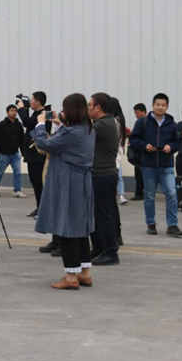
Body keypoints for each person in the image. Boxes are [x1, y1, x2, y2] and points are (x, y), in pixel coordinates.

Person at [31, 93, 95, 291]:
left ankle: (70, 277)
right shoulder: (88, 129)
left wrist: (40, 125)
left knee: (67, 228)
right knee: (81, 228)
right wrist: (61, 125)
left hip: (68, 183)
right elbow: (67, 139)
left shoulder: (72, 133)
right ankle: (84, 274)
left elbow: (44, 144)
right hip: (82, 182)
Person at [129, 93, 182, 237]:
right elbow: (133, 139)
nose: (160, 107)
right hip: (148, 166)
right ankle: (151, 224)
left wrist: (171, 147)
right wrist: (144, 146)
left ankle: (172, 225)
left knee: (172, 194)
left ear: (167, 107)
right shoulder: (143, 122)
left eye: (163, 105)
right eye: (157, 104)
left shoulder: (172, 124)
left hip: (166, 166)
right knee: (149, 197)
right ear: (152, 105)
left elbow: (178, 142)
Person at [87, 93, 121, 266]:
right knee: (96, 214)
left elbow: (80, 136)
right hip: (101, 174)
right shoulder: (107, 122)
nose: (87, 109)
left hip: (102, 176)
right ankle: (99, 248)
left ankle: (110, 252)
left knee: (103, 215)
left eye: (89, 105)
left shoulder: (101, 125)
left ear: (98, 107)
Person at [17, 92, 49, 217]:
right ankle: (39, 207)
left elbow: (26, 122)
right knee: (35, 182)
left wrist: (21, 109)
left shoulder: (44, 114)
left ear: (38, 102)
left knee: (39, 182)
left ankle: (43, 210)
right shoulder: (37, 113)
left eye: (31, 100)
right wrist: (26, 109)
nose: (30, 102)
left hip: (38, 154)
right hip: (32, 154)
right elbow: (29, 122)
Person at [0, 105, 26, 198]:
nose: (14, 112)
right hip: (4, 154)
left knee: (18, 173)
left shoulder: (19, 124)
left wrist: (23, 152)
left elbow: (22, 138)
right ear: (7, 112)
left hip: (15, 153)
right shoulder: (2, 124)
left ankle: (17, 191)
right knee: (0, 172)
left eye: (15, 111)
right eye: (11, 110)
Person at [110, 98, 127, 245]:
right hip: (115, 163)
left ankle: (115, 235)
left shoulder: (112, 122)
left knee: (109, 204)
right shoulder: (120, 121)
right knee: (111, 203)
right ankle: (117, 234)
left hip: (110, 165)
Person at [129, 103, 148, 201]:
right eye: (135, 113)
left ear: (144, 112)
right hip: (143, 151)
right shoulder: (144, 121)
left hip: (141, 151)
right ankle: (141, 192)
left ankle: (139, 193)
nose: (136, 115)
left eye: (137, 112)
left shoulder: (142, 122)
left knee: (139, 173)